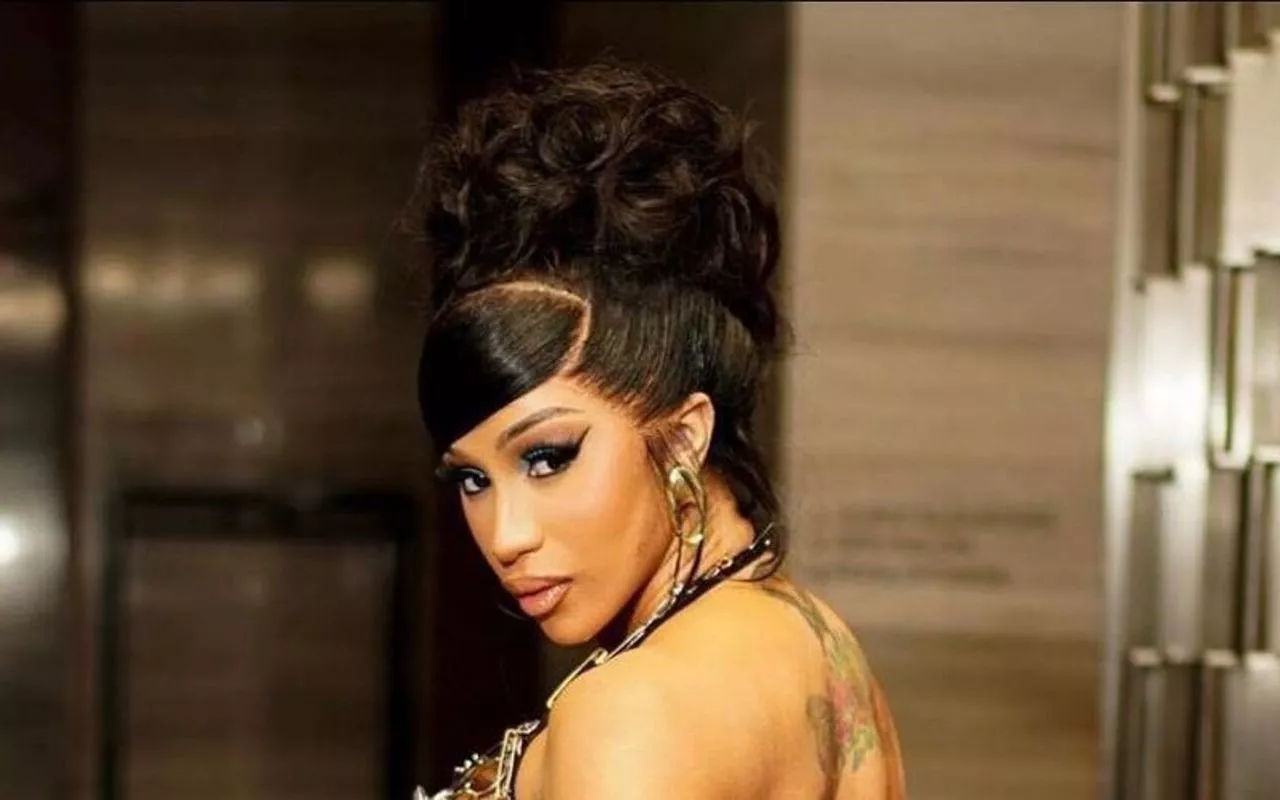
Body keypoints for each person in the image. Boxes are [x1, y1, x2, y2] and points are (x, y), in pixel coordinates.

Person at [411, 61, 905, 800]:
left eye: (547, 458)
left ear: (682, 436)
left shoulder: (636, 712)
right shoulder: (813, 639)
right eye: (473, 479)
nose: (506, 537)